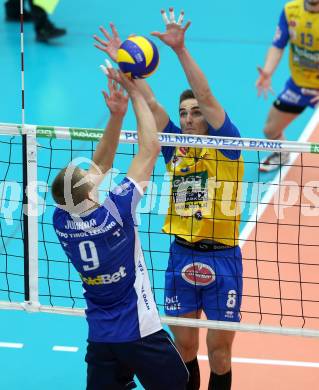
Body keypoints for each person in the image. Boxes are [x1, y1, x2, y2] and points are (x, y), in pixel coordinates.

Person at [94, 8, 243, 390]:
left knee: (220, 351)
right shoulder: (173, 147)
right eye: (184, 114)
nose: (190, 118)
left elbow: (207, 95)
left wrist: (179, 50)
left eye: (196, 113)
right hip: (181, 255)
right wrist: (127, 67)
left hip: (222, 257)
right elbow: (149, 100)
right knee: (185, 347)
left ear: (210, 119)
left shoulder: (227, 145)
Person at [51, 67, 188, 390]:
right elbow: (150, 149)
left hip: (102, 337)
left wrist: (116, 115)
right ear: (88, 192)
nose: (91, 172)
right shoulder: (117, 211)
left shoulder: (63, 220)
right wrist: (136, 93)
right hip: (140, 330)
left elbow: (101, 165)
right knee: (178, 384)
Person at [256, 0, 319, 172]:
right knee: (270, 130)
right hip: (298, 86)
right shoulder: (290, 10)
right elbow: (278, 45)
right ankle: (282, 154)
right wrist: (268, 72)